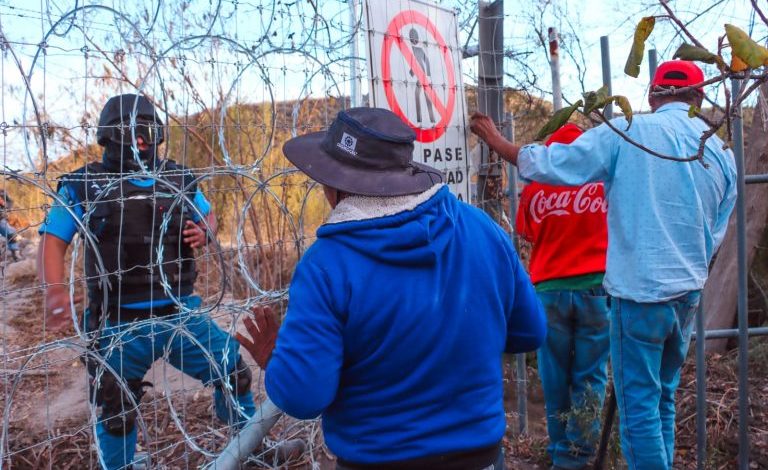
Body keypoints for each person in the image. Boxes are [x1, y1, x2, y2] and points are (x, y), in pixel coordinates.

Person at [235, 107, 547, 470]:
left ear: (335, 184)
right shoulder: (481, 228)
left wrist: (276, 361)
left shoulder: (327, 265)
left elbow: (304, 396)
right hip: (483, 458)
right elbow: (530, 331)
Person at [470, 60, 737, 470]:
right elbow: (717, 229)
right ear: (699, 98)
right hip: (687, 296)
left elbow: (552, 165)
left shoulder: (628, 132)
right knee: (662, 396)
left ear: (651, 96)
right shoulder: (720, 151)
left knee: (638, 413)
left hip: (640, 295)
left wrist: (499, 143)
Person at [37, 94, 256, 470]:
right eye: (129, 132)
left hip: (179, 316)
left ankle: (251, 448)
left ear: (158, 134)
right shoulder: (83, 185)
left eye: (147, 131)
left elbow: (209, 215)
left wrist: (205, 231)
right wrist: (54, 289)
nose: (140, 140)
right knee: (115, 407)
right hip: (118, 323)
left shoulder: (178, 178)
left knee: (232, 370)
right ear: (107, 137)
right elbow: (53, 240)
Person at [516, 123, 609, 470]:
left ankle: (559, 452)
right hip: (597, 288)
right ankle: (579, 455)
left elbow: (527, 234)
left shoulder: (535, 187)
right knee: (591, 374)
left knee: (554, 375)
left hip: (549, 290)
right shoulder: (601, 181)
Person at [0, 189, 21, 262]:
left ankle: (16, 256)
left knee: (11, 235)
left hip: (1, 220)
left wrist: (4, 203)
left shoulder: (2, 192)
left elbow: (10, 203)